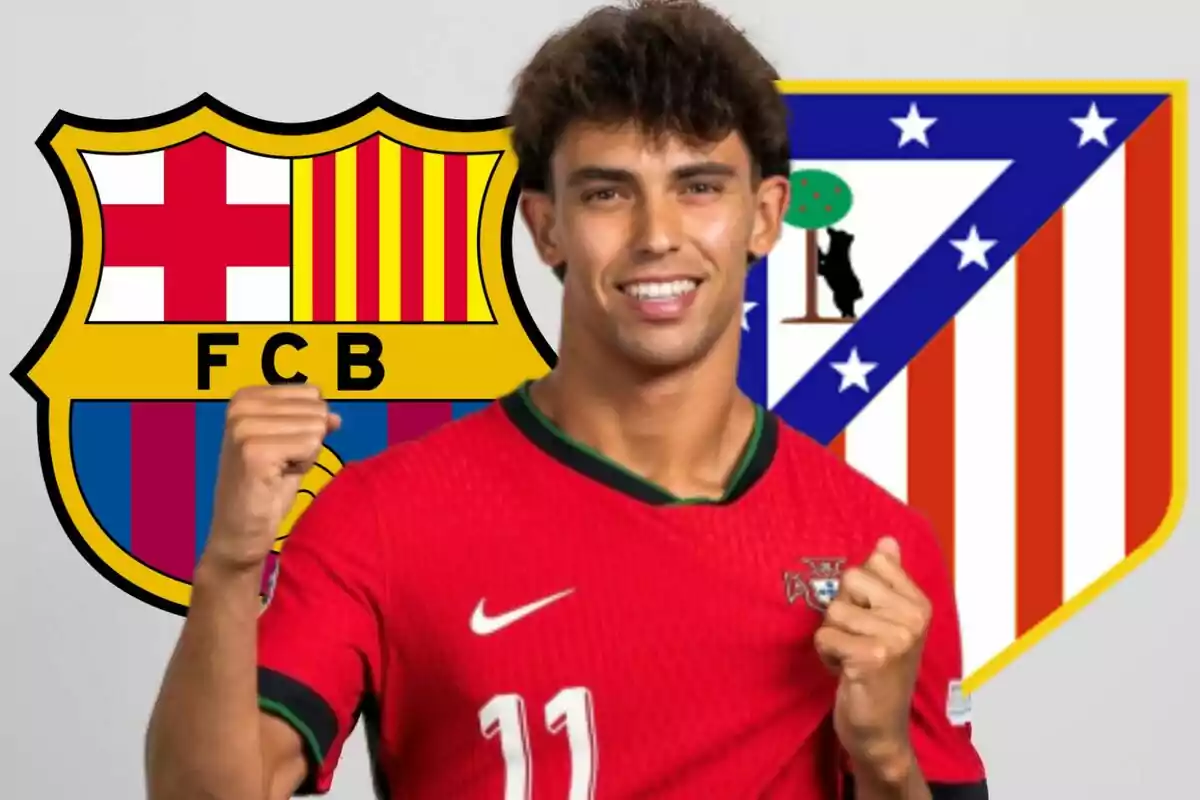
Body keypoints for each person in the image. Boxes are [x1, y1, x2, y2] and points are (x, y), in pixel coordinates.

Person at [143, 1, 989, 797]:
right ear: (546, 227)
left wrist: (882, 755)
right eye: (608, 192)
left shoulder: (877, 550)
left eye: (699, 186)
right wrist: (229, 566)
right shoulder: (383, 518)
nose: (658, 233)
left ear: (765, 217)